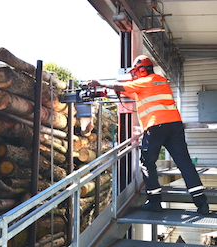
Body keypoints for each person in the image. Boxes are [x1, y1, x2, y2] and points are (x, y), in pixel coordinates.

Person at [88, 55, 210, 215]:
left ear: (143, 69)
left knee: (147, 162)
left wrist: (99, 83)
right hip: (174, 126)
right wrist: (107, 93)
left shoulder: (144, 82)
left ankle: (154, 201)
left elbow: (122, 86)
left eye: (136, 72)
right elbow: (133, 93)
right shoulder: (159, 80)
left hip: (156, 127)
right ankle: (202, 204)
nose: (135, 75)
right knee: (185, 164)